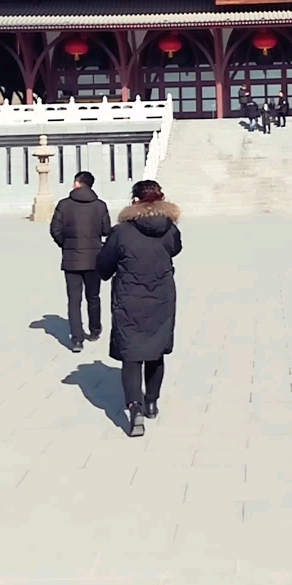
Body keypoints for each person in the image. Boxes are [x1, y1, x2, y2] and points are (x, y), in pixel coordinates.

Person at [96, 179, 182, 437]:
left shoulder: (121, 231)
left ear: (134, 201)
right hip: (162, 297)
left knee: (131, 354)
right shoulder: (170, 229)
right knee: (156, 351)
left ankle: (135, 408)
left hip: (129, 298)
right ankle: (153, 401)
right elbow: (175, 250)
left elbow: (104, 265)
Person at [50, 171, 111, 351]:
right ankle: (95, 329)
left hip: (71, 259)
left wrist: (66, 244)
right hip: (94, 258)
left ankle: (77, 339)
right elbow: (107, 230)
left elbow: (55, 230)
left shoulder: (64, 205)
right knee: (93, 296)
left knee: (74, 300)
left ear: (77, 183)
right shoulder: (100, 206)